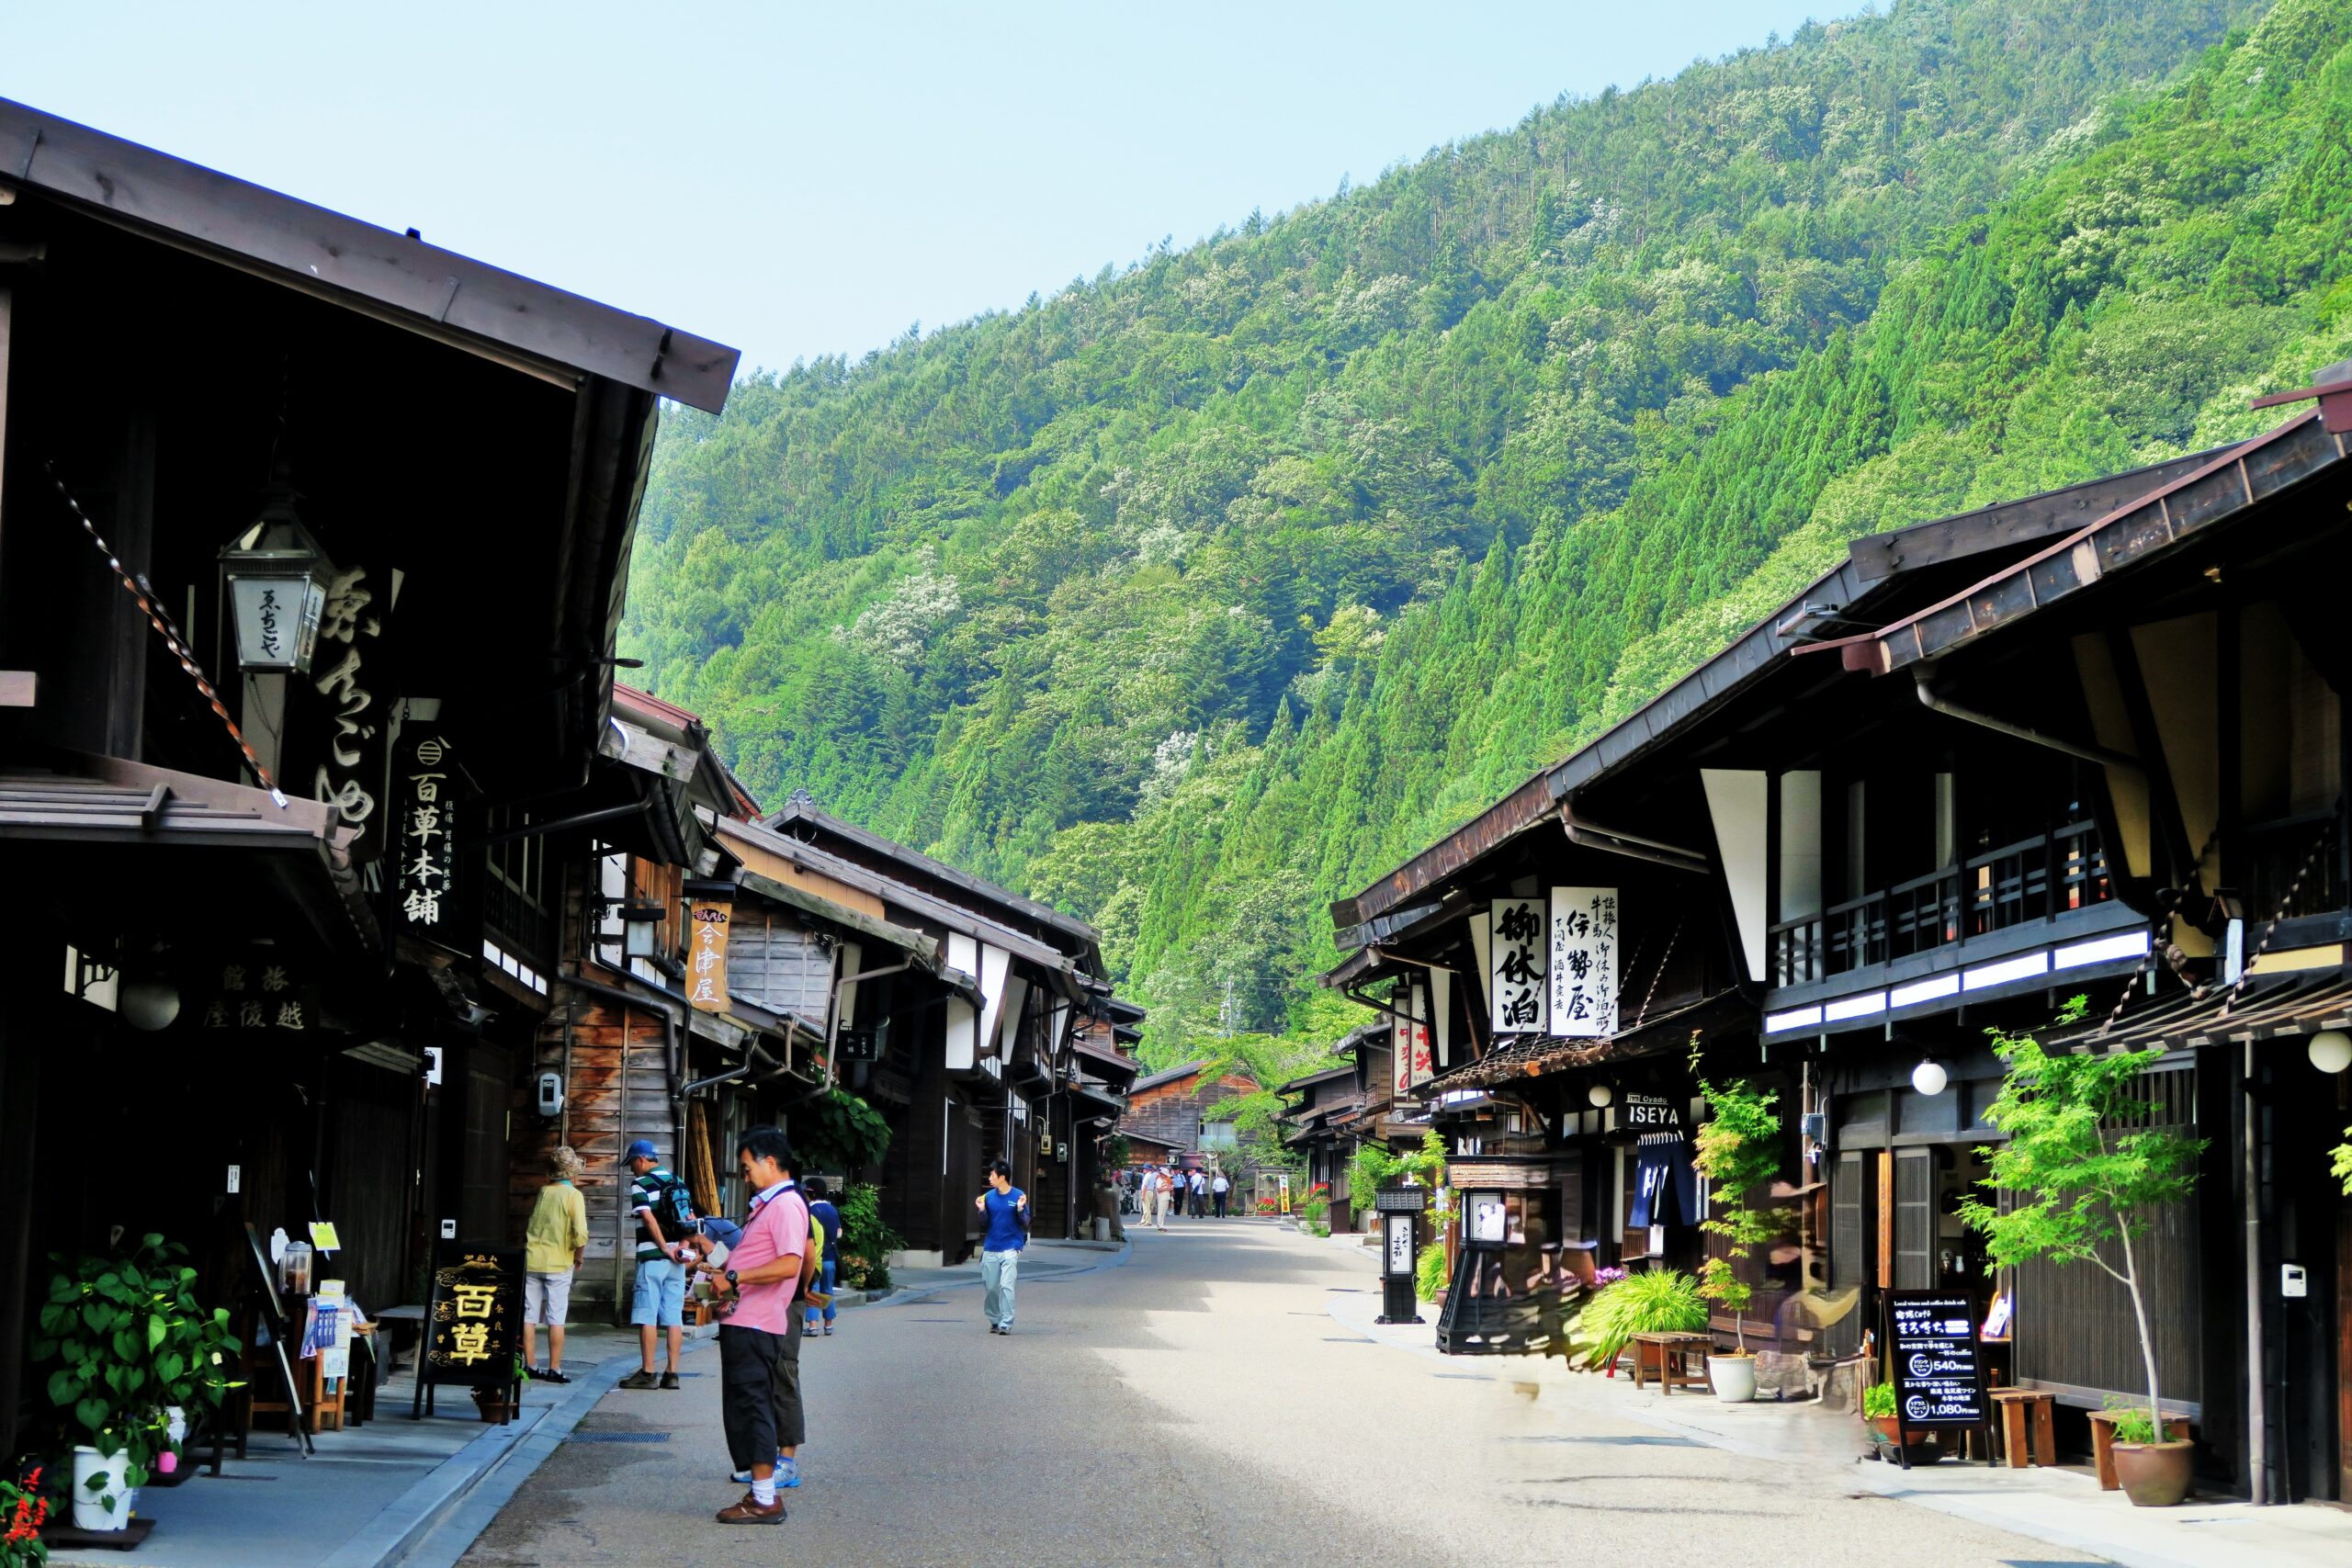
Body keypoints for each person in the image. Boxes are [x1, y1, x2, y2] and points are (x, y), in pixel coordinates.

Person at [707, 1126, 808, 1526]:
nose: (744, 1176)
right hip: (745, 1321)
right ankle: (759, 1494)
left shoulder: (785, 1205)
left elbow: (789, 1264)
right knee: (746, 1408)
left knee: (753, 1408)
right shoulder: (769, 1205)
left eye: (747, 1168)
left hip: (756, 1325)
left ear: (770, 1162)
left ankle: (765, 1499)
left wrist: (734, 1279)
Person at [619, 1138, 695, 1391]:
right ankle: (672, 1373)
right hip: (678, 1259)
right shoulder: (678, 1181)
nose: (632, 1169)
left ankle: (648, 1372)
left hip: (653, 1257)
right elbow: (689, 1218)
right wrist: (682, 1246)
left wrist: (664, 1247)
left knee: (647, 1315)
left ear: (641, 1160)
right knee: (674, 1316)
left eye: (632, 1163)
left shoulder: (641, 1183)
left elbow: (648, 1219)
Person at [521, 1146, 588, 1383]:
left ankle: (529, 1364)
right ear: (572, 1174)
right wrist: (578, 1255)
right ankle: (555, 1368)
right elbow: (580, 1233)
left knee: (529, 1315)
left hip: (533, 1259)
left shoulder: (543, 1191)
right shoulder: (574, 1196)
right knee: (555, 1317)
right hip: (559, 1262)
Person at [974, 1156, 1028, 1333]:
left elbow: (1026, 1222)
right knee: (990, 1287)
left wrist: (1020, 1209)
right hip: (991, 1246)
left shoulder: (1018, 1196)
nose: (989, 1178)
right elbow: (984, 1223)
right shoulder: (988, 1197)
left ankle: (1006, 1322)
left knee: (1006, 1285)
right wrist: (981, 1210)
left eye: (992, 1174)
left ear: (1002, 1177)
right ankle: (995, 1319)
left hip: (1011, 1247)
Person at [803, 1176, 842, 1337]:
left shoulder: (810, 1210)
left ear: (811, 1193)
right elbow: (839, 1233)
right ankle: (828, 1325)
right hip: (831, 1258)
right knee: (828, 1290)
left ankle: (813, 1326)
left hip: (816, 1258)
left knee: (813, 1290)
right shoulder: (833, 1210)